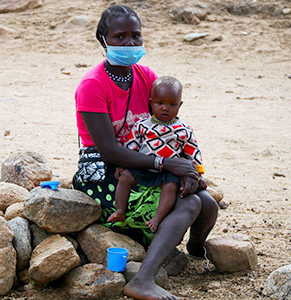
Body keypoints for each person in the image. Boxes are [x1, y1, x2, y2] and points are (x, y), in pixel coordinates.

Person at [73, 5, 218, 300]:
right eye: (120, 37)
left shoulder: (145, 76)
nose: (129, 44)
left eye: (135, 36)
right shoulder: (92, 85)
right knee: (189, 206)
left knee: (208, 203)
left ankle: (193, 251)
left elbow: (166, 128)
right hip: (106, 172)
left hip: (147, 166)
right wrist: (168, 165)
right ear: (102, 39)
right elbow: (109, 150)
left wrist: (187, 169)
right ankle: (143, 280)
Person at [108, 76, 207, 233]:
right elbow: (131, 145)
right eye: (160, 103)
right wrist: (122, 164)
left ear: (179, 106)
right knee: (125, 177)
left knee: (171, 187)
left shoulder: (183, 130)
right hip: (143, 166)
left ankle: (158, 218)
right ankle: (120, 210)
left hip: (168, 171)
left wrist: (198, 174)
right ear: (151, 102)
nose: (165, 108)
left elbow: (193, 153)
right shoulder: (142, 126)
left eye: (172, 104)